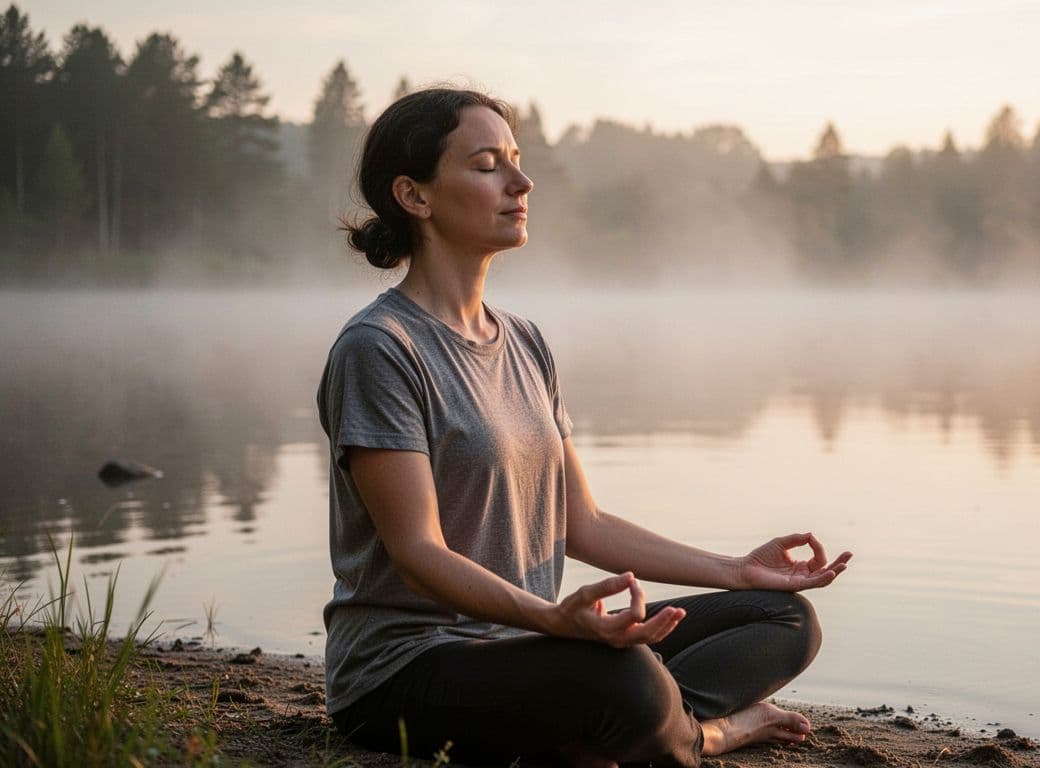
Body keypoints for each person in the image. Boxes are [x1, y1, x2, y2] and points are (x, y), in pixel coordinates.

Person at [317, 87, 852, 768]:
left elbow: (583, 524)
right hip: (409, 671)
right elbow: (418, 554)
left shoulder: (524, 342)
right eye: (487, 166)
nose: (521, 182)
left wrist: (736, 569)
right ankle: (711, 733)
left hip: (533, 652)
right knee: (626, 679)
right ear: (415, 196)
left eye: (516, 160)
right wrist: (552, 620)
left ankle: (639, 726)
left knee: (780, 619)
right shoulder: (380, 347)